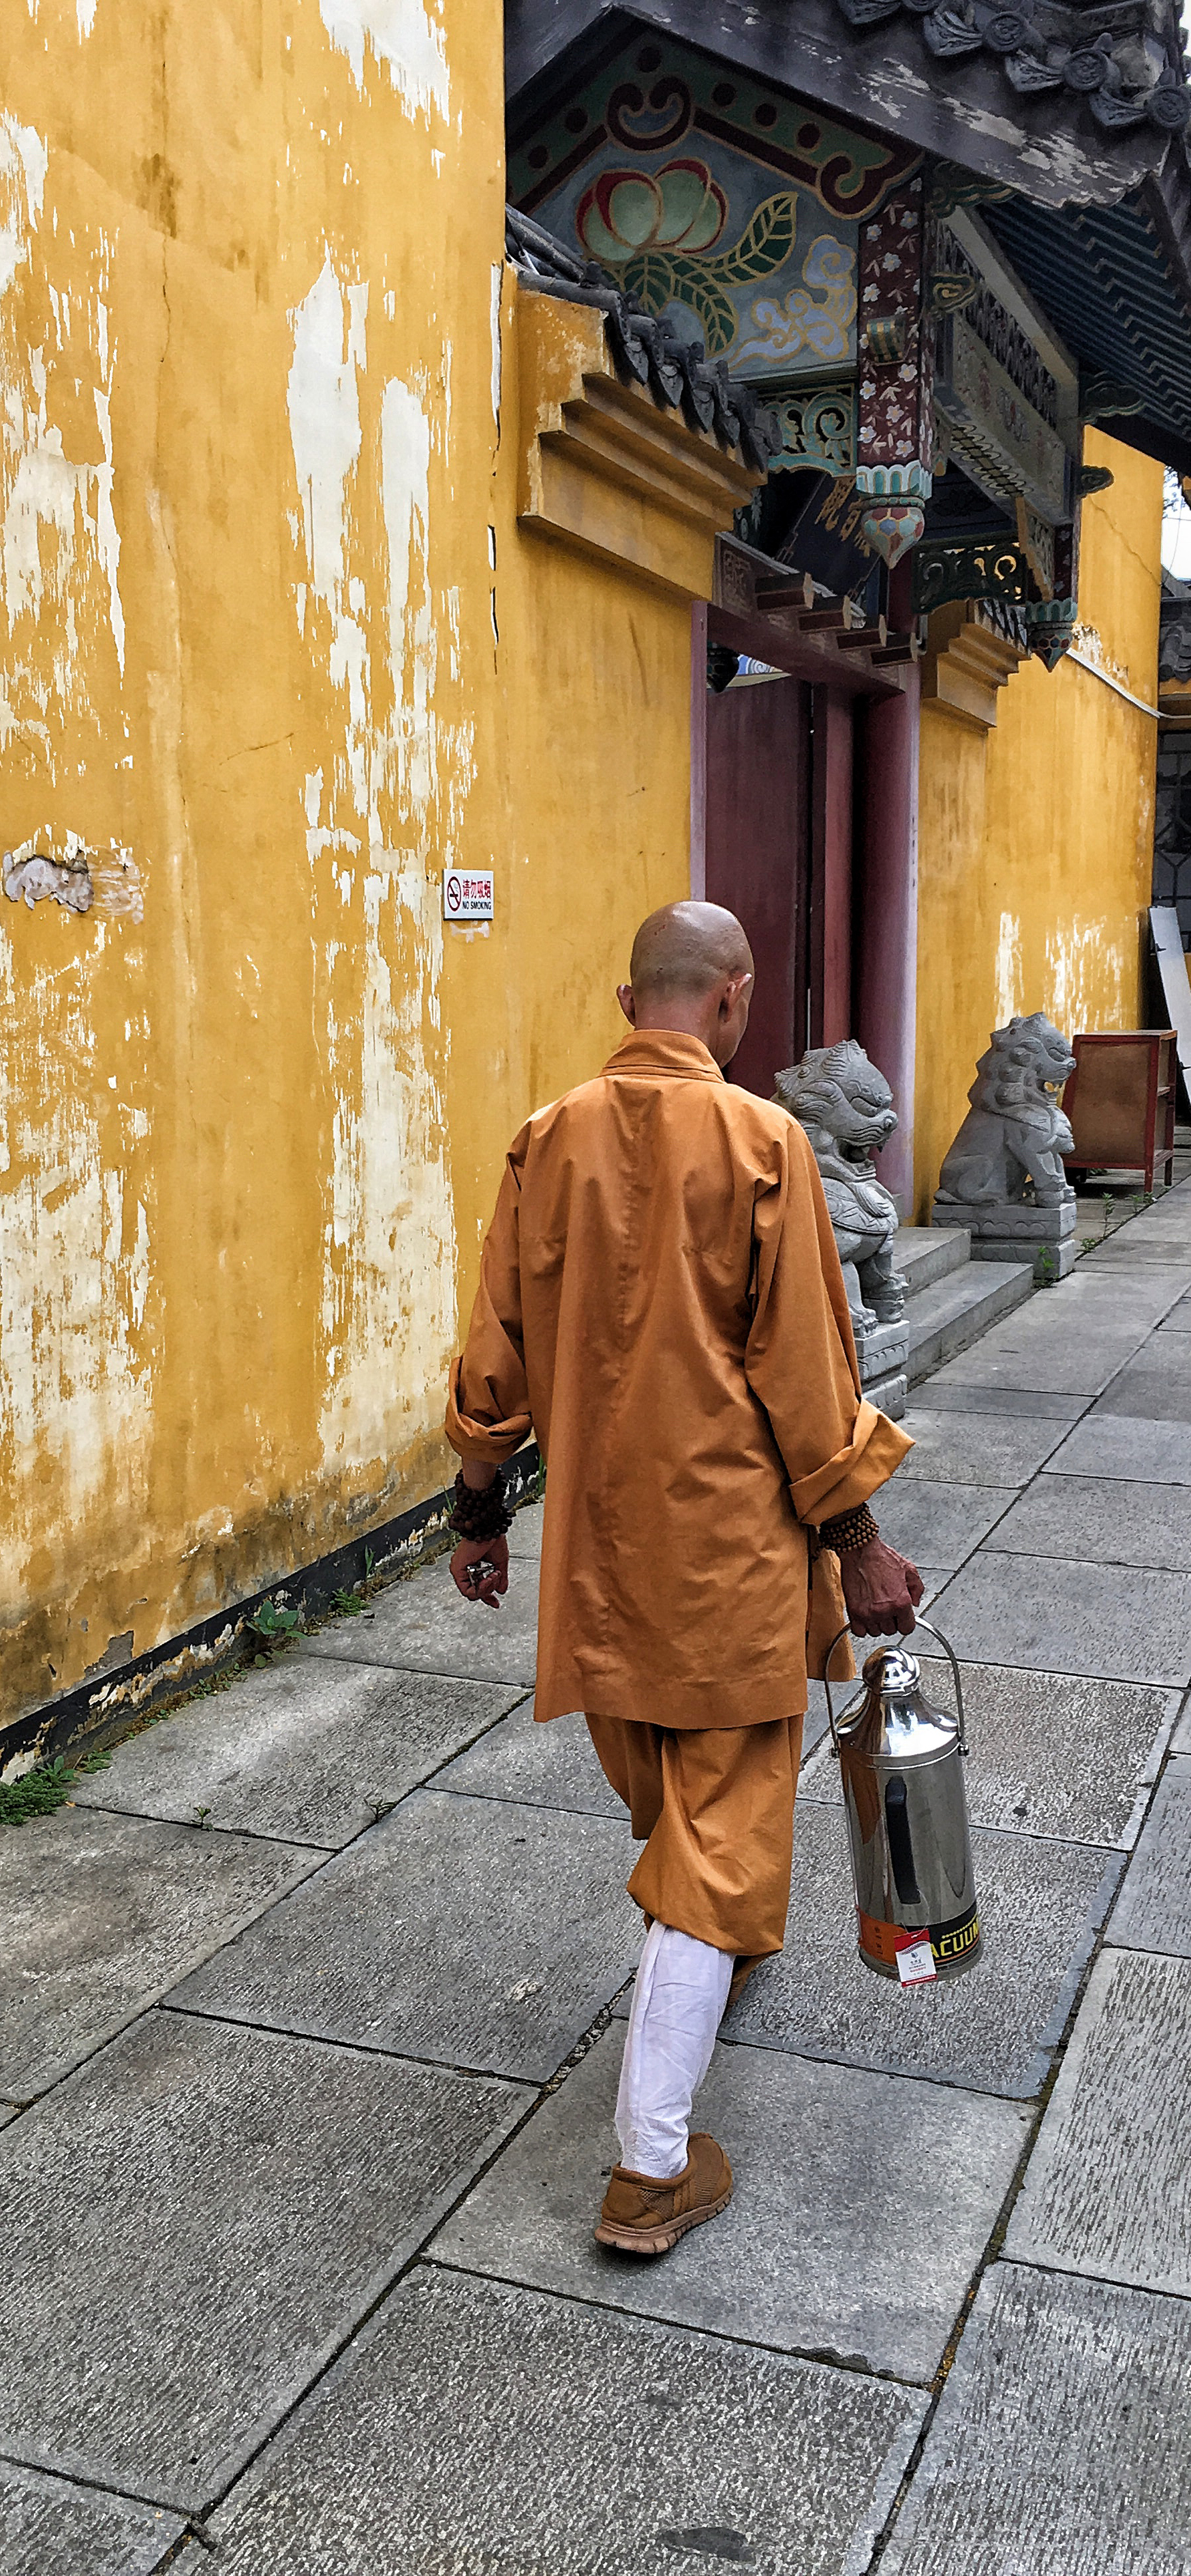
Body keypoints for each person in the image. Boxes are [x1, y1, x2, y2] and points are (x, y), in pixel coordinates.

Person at [444, 901, 922, 2257]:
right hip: (727, 1557)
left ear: (625, 997)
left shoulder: (546, 1142)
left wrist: (477, 1510)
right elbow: (806, 1379)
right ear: (732, 1001)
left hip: (595, 1562)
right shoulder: (765, 1142)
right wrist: (856, 1544)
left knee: (674, 1796)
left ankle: (713, 1945)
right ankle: (650, 2162)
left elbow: (496, 1353)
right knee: (713, 1833)